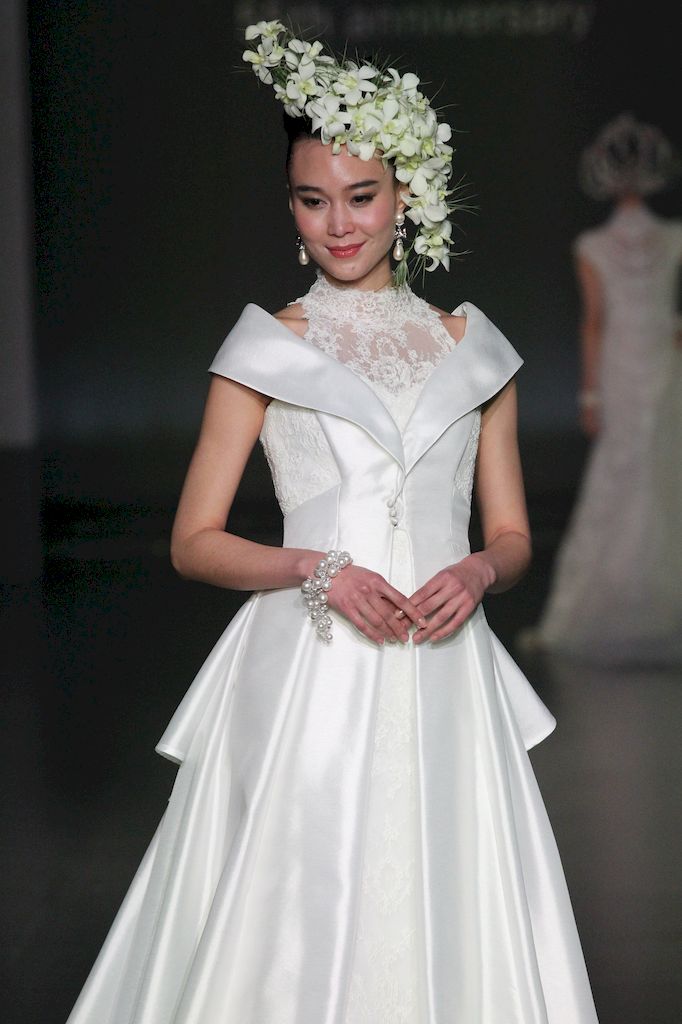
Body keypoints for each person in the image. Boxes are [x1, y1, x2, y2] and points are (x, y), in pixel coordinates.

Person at [66, 20, 599, 1023]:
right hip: (312, 665)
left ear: (407, 195)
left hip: (445, 662)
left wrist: (479, 573)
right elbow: (193, 541)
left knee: (447, 901)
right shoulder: (265, 349)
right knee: (296, 918)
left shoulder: (475, 350)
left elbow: (512, 535)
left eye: (361, 196)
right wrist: (318, 568)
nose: (338, 225)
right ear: (292, 208)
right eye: (312, 200)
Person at [520, 113, 682, 665]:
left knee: (623, 479)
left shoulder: (594, 243)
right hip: (661, 363)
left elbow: (594, 322)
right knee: (659, 474)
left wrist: (590, 395)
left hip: (625, 365)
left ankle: (582, 616)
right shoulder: (672, 238)